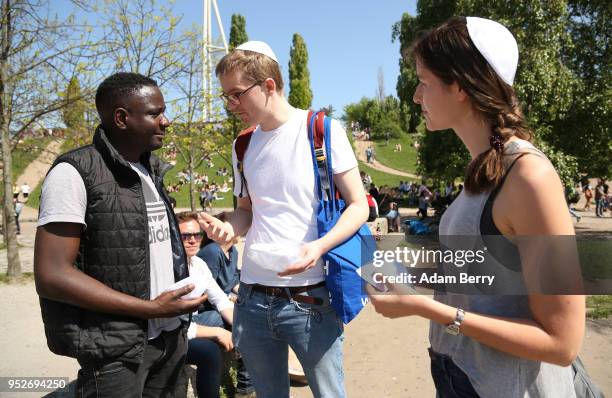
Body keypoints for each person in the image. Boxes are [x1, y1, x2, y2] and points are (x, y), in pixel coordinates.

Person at [367, 17, 584, 397]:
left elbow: (562, 342)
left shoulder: (528, 177)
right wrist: (413, 279)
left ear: (461, 86)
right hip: (463, 377)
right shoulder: (483, 169)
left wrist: (426, 308)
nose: (416, 96)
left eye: (424, 82)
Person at [198, 40, 368, 398]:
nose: (231, 105)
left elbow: (358, 206)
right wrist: (229, 229)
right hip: (252, 299)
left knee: (329, 393)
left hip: (310, 299)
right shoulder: (242, 145)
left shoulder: (321, 130)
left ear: (268, 85)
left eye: (237, 95)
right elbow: (246, 210)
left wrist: (319, 246)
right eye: (225, 97)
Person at [33, 72, 208, 398]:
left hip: (171, 339)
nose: (166, 121)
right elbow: (52, 275)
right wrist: (150, 309)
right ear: (122, 118)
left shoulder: (152, 170)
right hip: (116, 350)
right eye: (155, 113)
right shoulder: (75, 173)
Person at [175, 212, 249, 398]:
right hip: (172, 330)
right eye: (185, 236)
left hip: (191, 323)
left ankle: (247, 387)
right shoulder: (171, 268)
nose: (192, 240)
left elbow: (220, 299)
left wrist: (241, 325)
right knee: (210, 349)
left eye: (196, 235)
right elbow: (171, 321)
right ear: (174, 236)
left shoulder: (198, 264)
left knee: (246, 321)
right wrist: (217, 332)